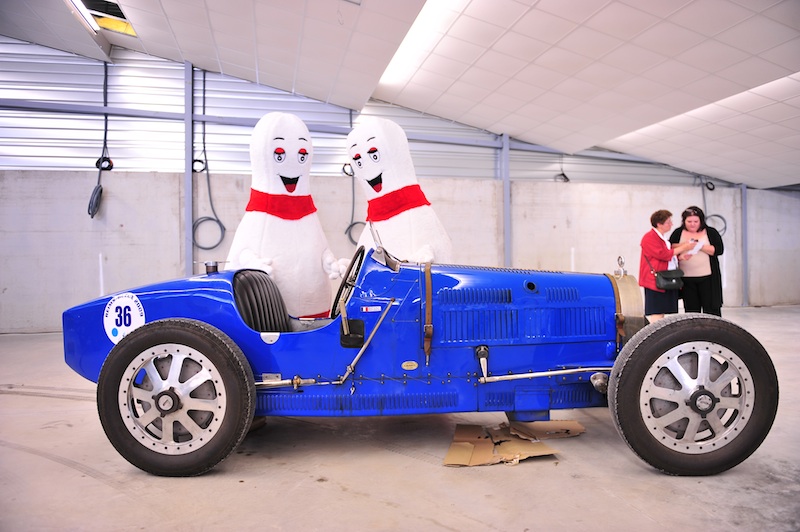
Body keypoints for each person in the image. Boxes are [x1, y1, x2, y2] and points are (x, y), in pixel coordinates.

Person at [639, 210, 695, 323]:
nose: (671, 224)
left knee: (662, 309)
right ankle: (654, 334)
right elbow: (663, 254)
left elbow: (667, 256)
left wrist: (680, 257)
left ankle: (657, 331)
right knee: (657, 310)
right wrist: (685, 247)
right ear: (659, 224)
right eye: (668, 222)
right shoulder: (650, 237)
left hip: (665, 276)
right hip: (656, 279)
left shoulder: (662, 237)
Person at [669, 206, 724, 316]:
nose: (692, 224)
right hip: (687, 279)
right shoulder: (678, 232)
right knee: (691, 310)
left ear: (701, 221)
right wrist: (686, 246)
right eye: (689, 221)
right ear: (684, 221)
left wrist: (699, 246)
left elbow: (719, 250)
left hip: (708, 278)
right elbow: (670, 248)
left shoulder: (711, 232)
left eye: (695, 221)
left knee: (711, 308)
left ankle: (713, 332)